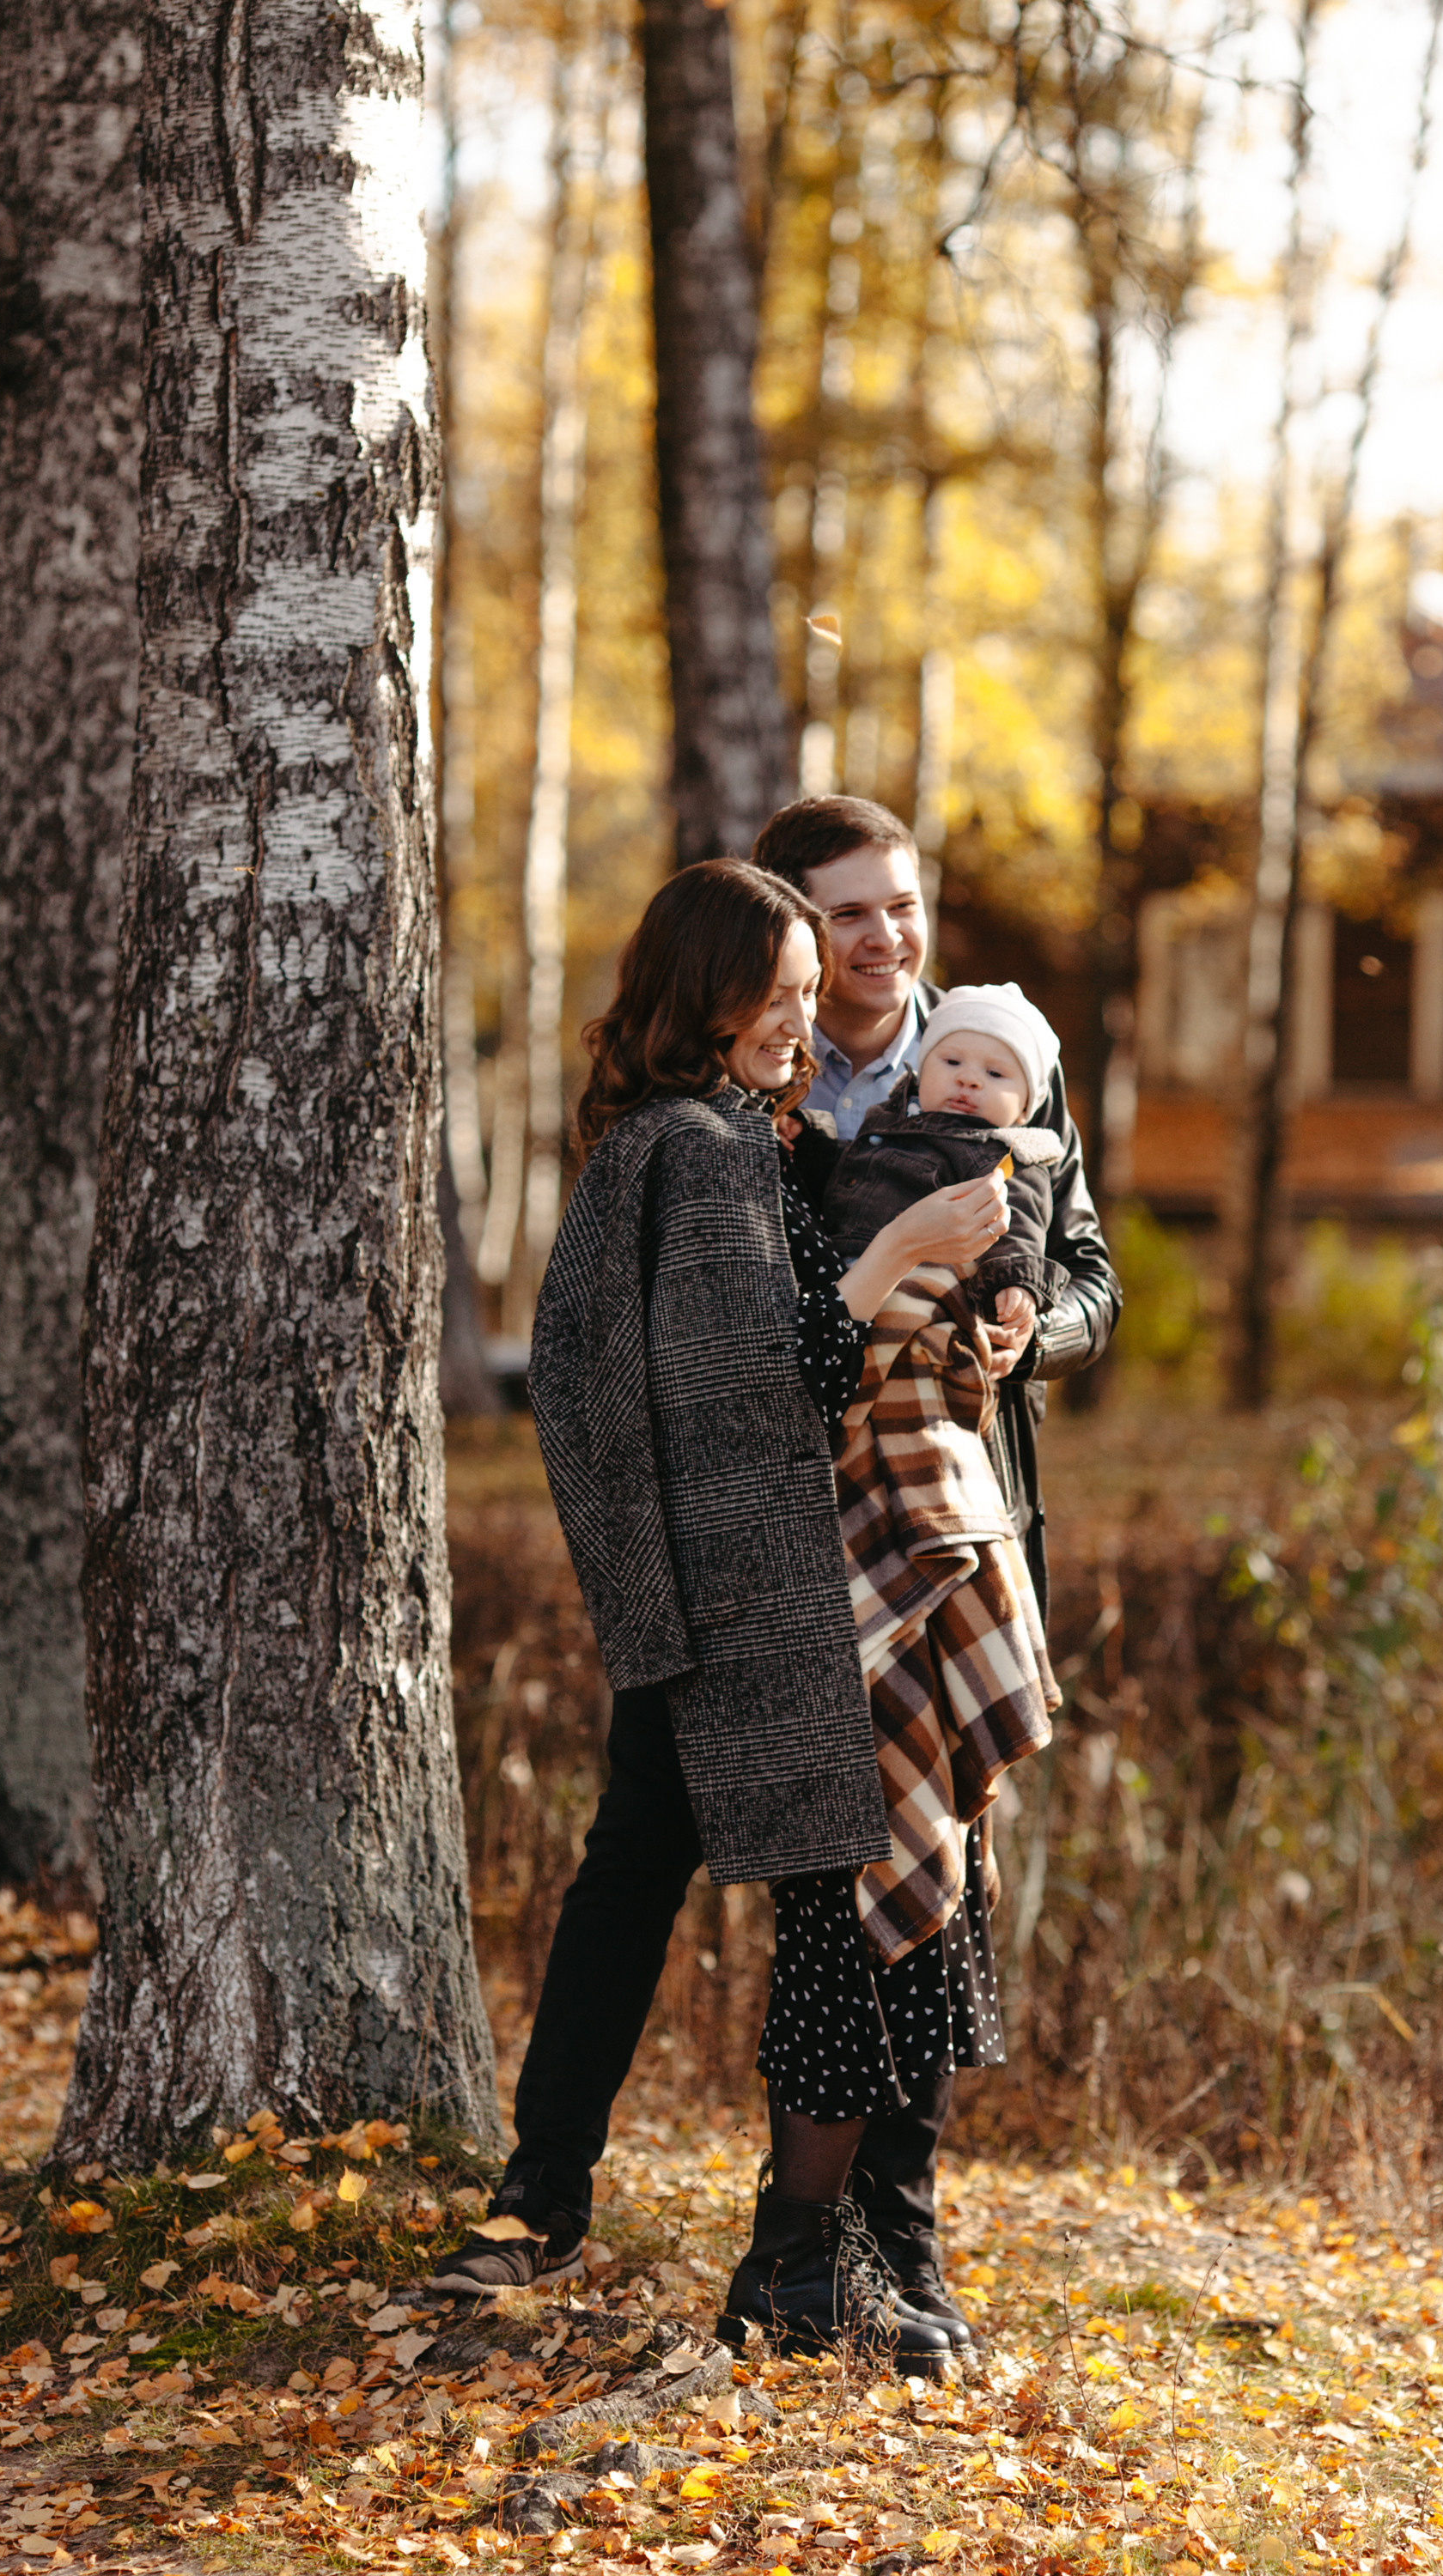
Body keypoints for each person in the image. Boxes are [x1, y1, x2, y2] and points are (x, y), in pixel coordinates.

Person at [431, 860, 1012, 2369]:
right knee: (841, 1897)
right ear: (702, 988)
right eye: (775, 993)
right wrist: (895, 1261)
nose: (799, 1023)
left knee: (667, 1876)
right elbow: (750, 1377)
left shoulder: (704, 1141)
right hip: (754, 1601)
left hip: (729, 1593)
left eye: (813, 999)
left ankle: (571, 2203)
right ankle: (795, 2258)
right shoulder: (697, 1154)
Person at [749, 794, 1121, 2338]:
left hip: (964, 1538)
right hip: (811, 1552)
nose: (887, 937)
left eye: (903, 905)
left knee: (945, 1882)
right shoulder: (764, 1089)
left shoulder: (1003, 1059)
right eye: (851, 912)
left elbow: (1093, 1277)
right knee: (836, 1894)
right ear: (794, 926)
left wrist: (1042, 1337)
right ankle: (793, 2247)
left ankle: (902, 2248)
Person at [794, 980, 1073, 1334]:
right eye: (952, 1061)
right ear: (922, 1070)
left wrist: (1016, 1283)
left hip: (917, 1304)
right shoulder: (889, 1119)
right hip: (842, 1286)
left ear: (1024, 1109)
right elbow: (849, 1171)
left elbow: (1016, 1223)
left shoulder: (1002, 1155)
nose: (968, 1079)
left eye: (995, 1073)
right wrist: (809, 1143)